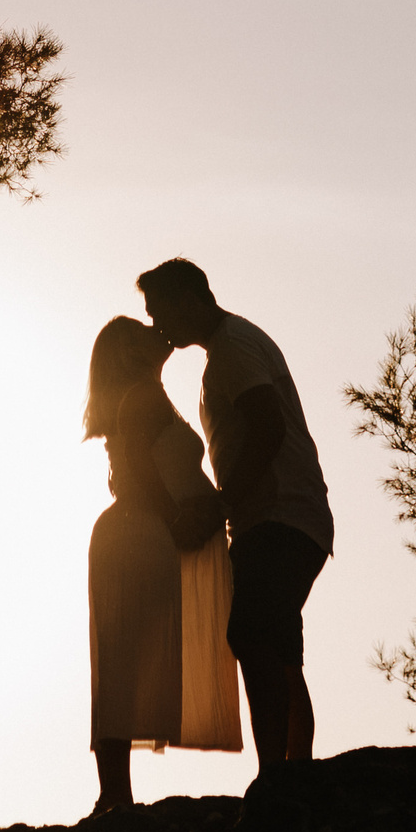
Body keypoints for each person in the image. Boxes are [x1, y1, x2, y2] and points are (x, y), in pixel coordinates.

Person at [137, 258, 334, 779]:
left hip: (277, 514)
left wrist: (227, 499)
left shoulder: (232, 349)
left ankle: (277, 775)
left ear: (188, 299)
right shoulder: (229, 349)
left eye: (160, 312)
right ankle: (295, 772)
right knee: (279, 645)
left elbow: (268, 426)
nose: (158, 325)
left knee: (252, 634)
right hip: (285, 514)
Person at [83, 315, 240, 816]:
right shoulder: (143, 398)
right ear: (131, 351)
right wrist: (176, 517)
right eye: (145, 330)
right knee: (124, 659)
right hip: (138, 534)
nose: (160, 332)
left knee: (124, 658)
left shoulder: (144, 398)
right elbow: (138, 467)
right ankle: (114, 796)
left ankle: (115, 795)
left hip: (135, 532)